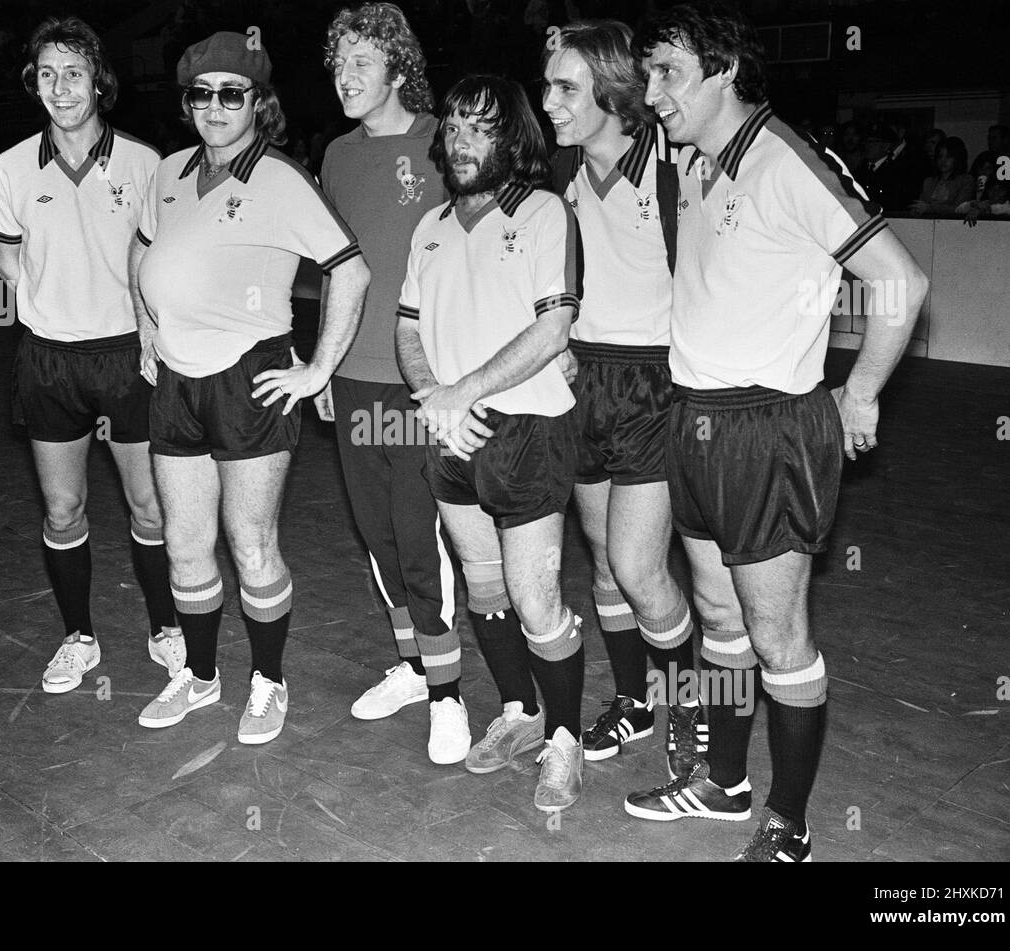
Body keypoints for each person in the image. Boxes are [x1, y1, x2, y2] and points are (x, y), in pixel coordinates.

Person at [630, 2, 928, 861]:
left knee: (776, 633)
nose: (654, 95)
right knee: (718, 619)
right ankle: (722, 785)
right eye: (649, 75)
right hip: (693, 421)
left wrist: (863, 391)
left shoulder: (786, 159)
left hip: (769, 428)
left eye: (669, 74)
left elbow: (899, 280)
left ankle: (789, 823)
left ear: (723, 71)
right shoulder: (695, 162)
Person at [129, 32, 371, 745]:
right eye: (201, 94)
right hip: (175, 377)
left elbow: (348, 269)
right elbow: (142, 248)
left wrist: (319, 368)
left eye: (231, 93)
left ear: (258, 103)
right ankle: (200, 678)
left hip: (249, 377)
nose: (214, 106)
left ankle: (269, 681)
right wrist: (146, 323)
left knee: (251, 542)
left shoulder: (282, 179)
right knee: (185, 543)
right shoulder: (170, 172)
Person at [396, 75, 586, 811]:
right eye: (453, 127)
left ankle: (565, 740)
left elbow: (552, 329)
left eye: (481, 128)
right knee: (483, 583)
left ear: (514, 139)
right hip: (451, 428)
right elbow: (408, 326)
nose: (461, 142)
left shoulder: (544, 213)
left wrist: (460, 391)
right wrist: (435, 399)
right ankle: (520, 710)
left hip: (526, 430)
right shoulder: (431, 225)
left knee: (537, 598)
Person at [0, 17, 177, 698]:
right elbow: (7, 260)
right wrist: (53, 306)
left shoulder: (145, 163)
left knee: (149, 504)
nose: (60, 87)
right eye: (46, 73)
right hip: (50, 361)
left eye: (73, 72)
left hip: (129, 355)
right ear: (34, 85)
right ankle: (79, 637)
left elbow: (159, 257)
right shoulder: (10, 167)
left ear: (98, 79)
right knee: (63, 508)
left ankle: (166, 628)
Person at [540, 20, 707, 778]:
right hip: (584, 381)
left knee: (642, 569)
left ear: (610, 91)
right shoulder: (565, 179)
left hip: (654, 385)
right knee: (605, 564)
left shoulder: (678, 168)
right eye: (548, 85)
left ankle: (689, 700)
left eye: (565, 87)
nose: (549, 101)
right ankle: (636, 700)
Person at [318, 2, 467, 765]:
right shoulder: (336, 157)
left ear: (399, 69)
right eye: (338, 63)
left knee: (419, 537)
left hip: (420, 382)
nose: (345, 77)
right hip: (350, 379)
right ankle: (413, 667)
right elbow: (329, 269)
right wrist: (321, 361)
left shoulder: (449, 140)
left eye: (362, 63)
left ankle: (449, 694)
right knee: (376, 536)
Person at [909, 136, 972, 216]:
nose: (943, 160)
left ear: (957, 158)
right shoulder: (929, 182)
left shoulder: (966, 181)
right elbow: (921, 206)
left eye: (948, 156)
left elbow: (959, 209)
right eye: (940, 156)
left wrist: (930, 208)